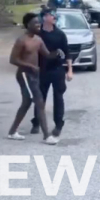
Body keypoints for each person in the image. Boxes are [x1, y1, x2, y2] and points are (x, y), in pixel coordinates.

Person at [7, 13, 62, 144]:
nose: (38, 25)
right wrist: (30, 66)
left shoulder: (38, 40)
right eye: (35, 23)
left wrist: (57, 52)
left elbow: (47, 55)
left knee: (26, 103)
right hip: (25, 75)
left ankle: (12, 132)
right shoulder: (21, 40)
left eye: (39, 23)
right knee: (39, 102)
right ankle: (47, 136)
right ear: (28, 25)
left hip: (34, 75)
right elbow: (13, 60)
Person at [30, 8, 73, 137]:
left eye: (55, 15)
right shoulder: (37, 35)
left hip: (57, 70)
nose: (54, 17)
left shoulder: (60, 34)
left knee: (58, 97)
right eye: (51, 15)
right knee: (40, 98)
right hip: (41, 70)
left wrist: (69, 70)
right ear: (44, 17)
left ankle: (58, 125)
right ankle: (36, 122)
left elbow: (67, 52)